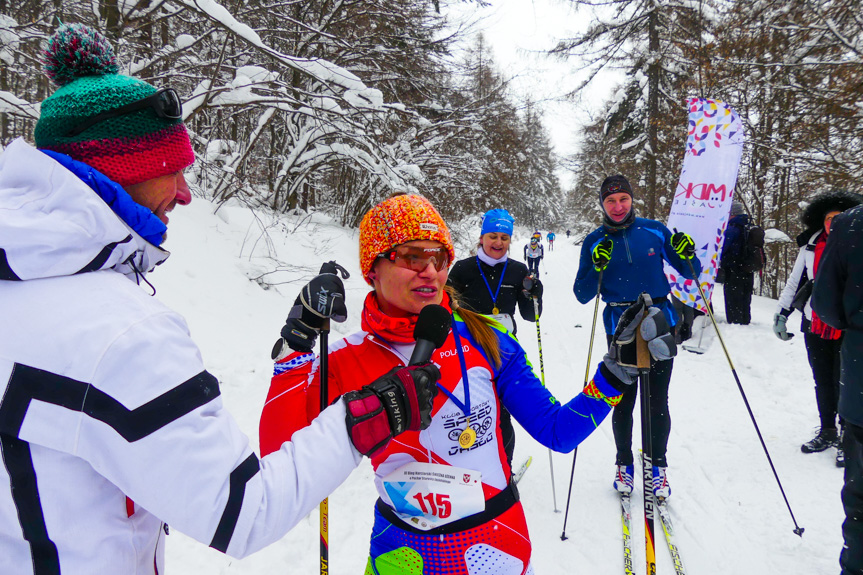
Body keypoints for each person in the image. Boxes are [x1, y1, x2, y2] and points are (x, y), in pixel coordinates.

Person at [0, 24, 435, 572]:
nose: (184, 193)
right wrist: (365, 416)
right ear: (115, 169)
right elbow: (241, 510)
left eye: (438, 257)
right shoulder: (121, 332)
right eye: (171, 170)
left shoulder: (20, 281)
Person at [260, 193, 675, 575]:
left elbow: (557, 432)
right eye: (412, 256)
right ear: (373, 268)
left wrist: (615, 374)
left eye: (439, 257)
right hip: (398, 552)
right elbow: (279, 455)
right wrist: (297, 347)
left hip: (493, 544)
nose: (430, 271)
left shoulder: (486, 338)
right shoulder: (347, 357)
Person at [573, 174, 701, 499]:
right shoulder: (594, 240)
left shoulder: (654, 230)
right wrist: (596, 267)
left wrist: (687, 253)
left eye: (623, 199)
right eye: (610, 201)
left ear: (632, 200)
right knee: (623, 400)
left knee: (658, 400)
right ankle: (624, 464)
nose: (617, 206)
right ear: (602, 204)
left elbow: (690, 271)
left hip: (658, 321)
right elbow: (582, 294)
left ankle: (658, 468)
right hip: (619, 327)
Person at [447, 209, 543, 464]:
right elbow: (446, 308)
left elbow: (531, 316)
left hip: (505, 352)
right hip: (470, 349)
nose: (498, 243)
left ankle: (504, 468)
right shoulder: (463, 269)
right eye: (492, 236)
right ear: (482, 237)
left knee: (502, 413)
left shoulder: (518, 270)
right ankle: (473, 462)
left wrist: (534, 294)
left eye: (504, 237)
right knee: (473, 410)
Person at [773, 191, 862, 463]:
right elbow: (795, 281)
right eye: (828, 218)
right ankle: (827, 430)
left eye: (838, 218)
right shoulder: (810, 246)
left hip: (847, 325)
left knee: (846, 382)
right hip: (815, 322)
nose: (832, 223)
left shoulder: (856, 244)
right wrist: (781, 313)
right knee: (822, 379)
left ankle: (848, 439)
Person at [811, 202, 863, 575]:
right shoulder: (817, 241)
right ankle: (828, 427)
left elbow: (825, 303)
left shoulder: (850, 227)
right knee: (823, 381)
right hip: (830, 339)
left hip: (856, 361)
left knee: (860, 498)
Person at [719, 201, 758, 324]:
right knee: (745, 297)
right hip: (747, 268)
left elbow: (722, 248)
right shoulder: (748, 225)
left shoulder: (732, 228)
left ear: (732, 213)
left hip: (734, 269)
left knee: (733, 298)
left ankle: (735, 323)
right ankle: (745, 320)